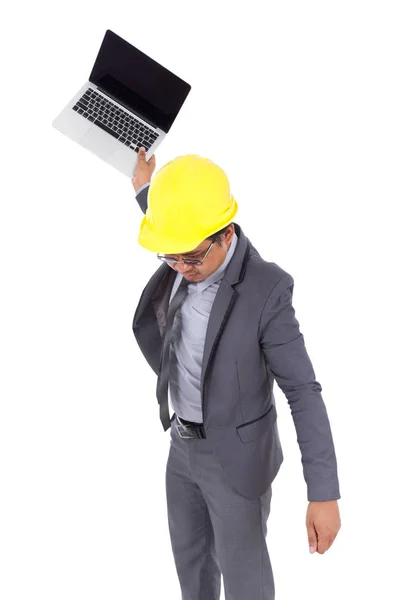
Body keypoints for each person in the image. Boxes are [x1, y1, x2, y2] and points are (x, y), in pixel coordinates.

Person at [131, 147, 341, 600]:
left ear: (225, 235)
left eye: (191, 259)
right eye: (170, 259)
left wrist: (323, 492)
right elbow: (172, 225)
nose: (182, 270)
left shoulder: (267, 290)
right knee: (192, 568)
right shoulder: (185, 246)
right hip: (180, 450)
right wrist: (146, 187)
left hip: (235, 461)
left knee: (245, 583)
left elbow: (303, 391)